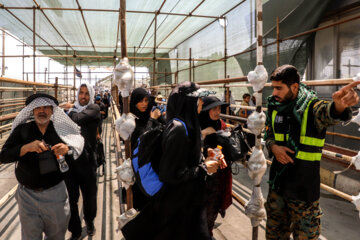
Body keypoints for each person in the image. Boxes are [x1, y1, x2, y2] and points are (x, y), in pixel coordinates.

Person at [264, 65, 360, 239]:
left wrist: (338, 107)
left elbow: (326, 112)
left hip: (304, 194)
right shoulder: (275, 106)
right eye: (273, 88)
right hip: (277, 188)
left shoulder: (311, 106)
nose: (274, 93)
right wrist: (273, 146)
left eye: (279, 88)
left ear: (294, 87)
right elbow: (269, 133)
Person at [122, 82, 225, 240]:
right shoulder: (178, 128)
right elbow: (168, 174)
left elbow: (184, 159)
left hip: (189, 201)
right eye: (199, 99)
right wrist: (204, 168)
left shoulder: (189, 125)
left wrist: (205, 154)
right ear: (187, 101)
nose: (202, 103)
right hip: (178, 205)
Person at [0, 93, 84, 240]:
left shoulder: (60, 130)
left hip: (56, 195)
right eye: (37, 107)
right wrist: (26, 147)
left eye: (46, 107)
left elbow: (79, 153)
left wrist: (67, 149)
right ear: (32, 110)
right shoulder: (23, 130)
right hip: (27, 197)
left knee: (57, 235)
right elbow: (4, 156)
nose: (42, 111)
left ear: (52, 110)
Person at [65, 83, 101, 239]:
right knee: (71, 200)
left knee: (90, 197)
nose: (83, 96)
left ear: (91, 95)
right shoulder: (74, 109)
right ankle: (75, 230)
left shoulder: (94, 109)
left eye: (87, 93)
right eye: (81, 93)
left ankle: (90, 221)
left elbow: (78, 118)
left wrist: (68, 111)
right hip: (71, 163)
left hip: (87, 163)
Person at [199, 96, 238, 236]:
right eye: (213, 109)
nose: (217, 112)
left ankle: (208, 231)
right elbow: (192, 148)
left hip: (221, 172)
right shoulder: (198, 125)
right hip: (204, 174)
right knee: (203, 206)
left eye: (219, 108)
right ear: (206, 110)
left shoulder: (221, 124)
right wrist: (204, 140)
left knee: (215, 203)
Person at [129, 87, 165, 210]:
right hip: (142, 168)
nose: (144, 104)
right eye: (140, 101)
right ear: (134, 102)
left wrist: (157, 119)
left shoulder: (153, 113)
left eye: (146, 100)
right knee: (143, 203)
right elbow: (143, 143)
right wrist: (152, 120)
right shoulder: (131, 121)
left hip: (156, 167)